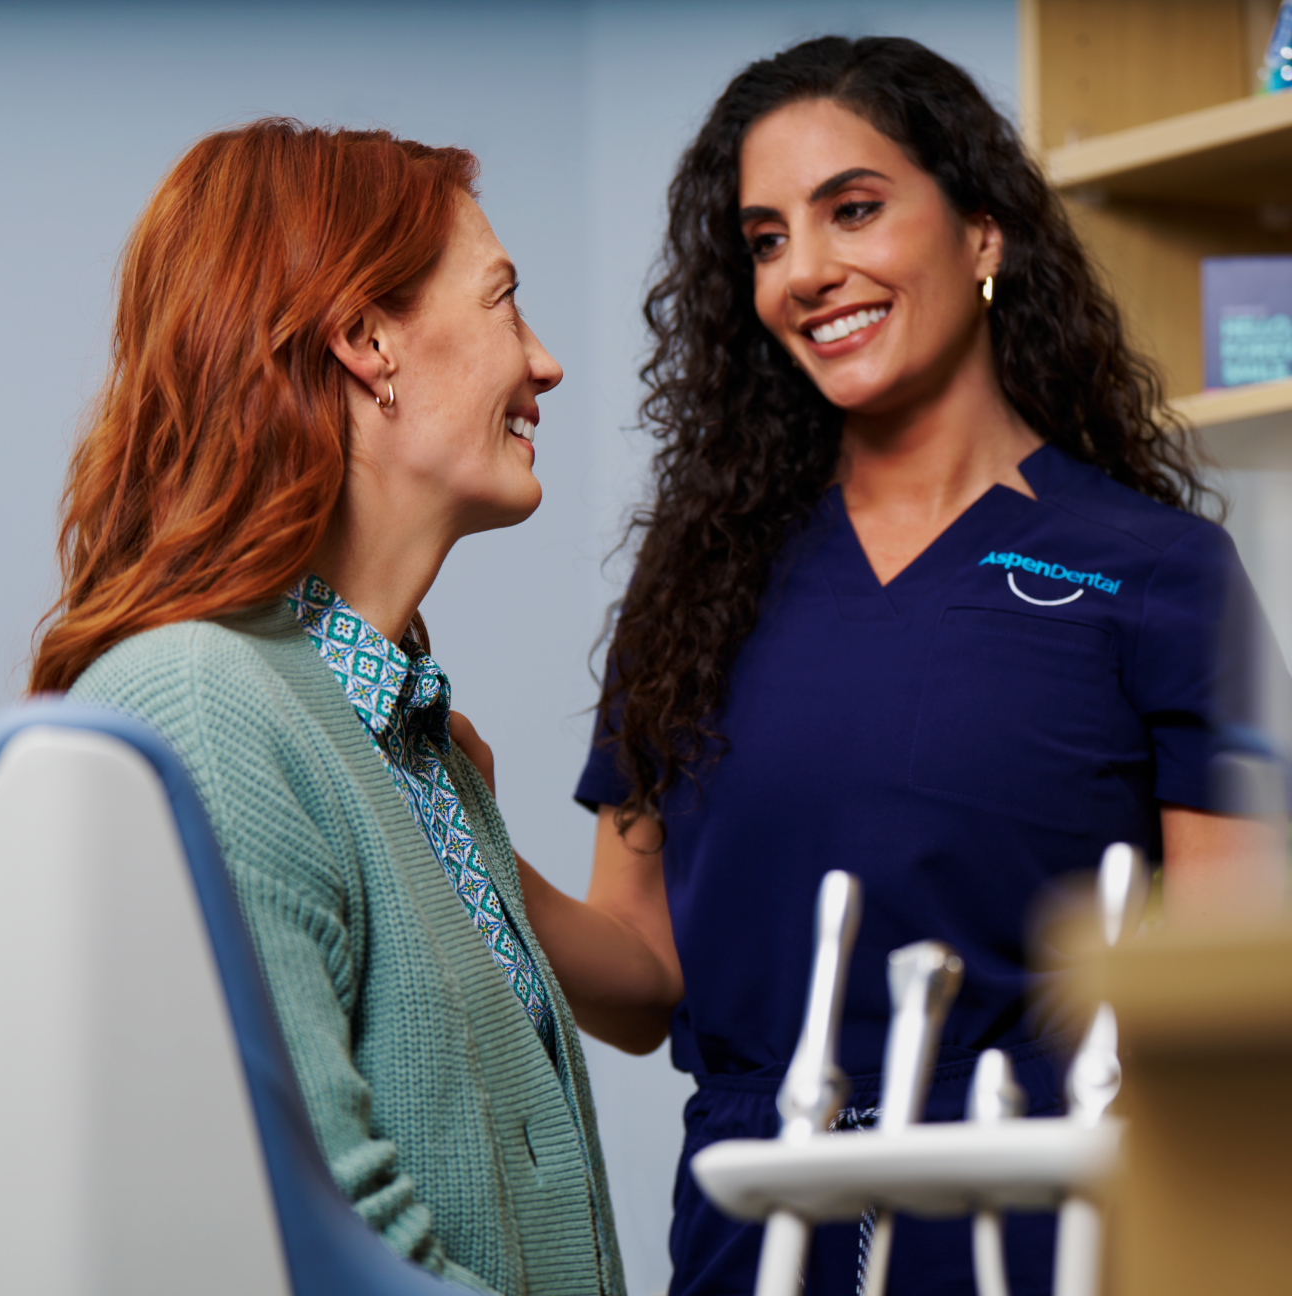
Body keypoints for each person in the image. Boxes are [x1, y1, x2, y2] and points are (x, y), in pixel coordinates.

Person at [470, 36, 1288, 1296]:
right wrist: (456, 821)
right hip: (752, 1223)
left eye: (852, 209)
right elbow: (643, 980)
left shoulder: (1162, 572)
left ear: (984, 234)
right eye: (765, 238)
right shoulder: (697, 590)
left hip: (1044, 1216)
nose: (808, 270)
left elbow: (1235, 1004)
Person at [29, 119, 624, 1296]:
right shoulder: (199, 708)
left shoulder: (417, 741)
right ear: (363, 339)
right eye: (505, 302)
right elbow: (306, 1229)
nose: (545, 362)